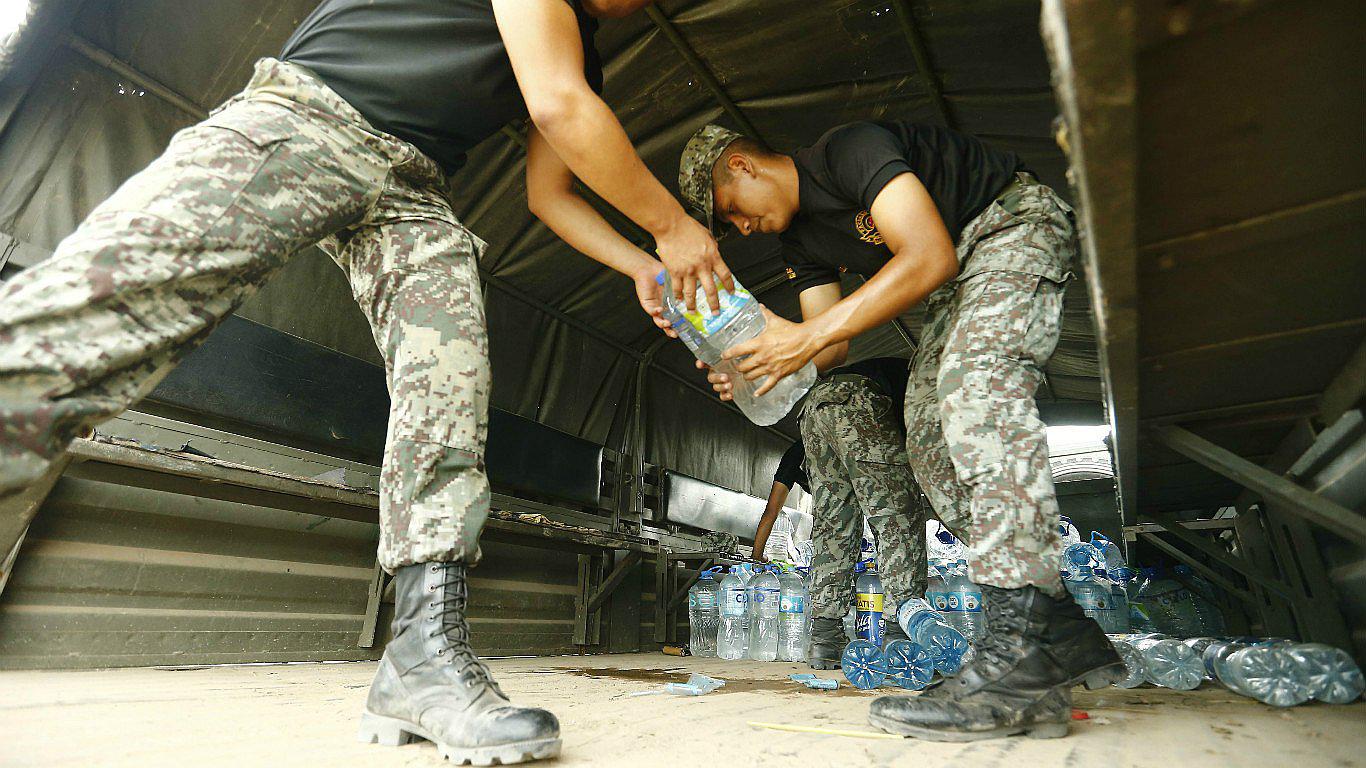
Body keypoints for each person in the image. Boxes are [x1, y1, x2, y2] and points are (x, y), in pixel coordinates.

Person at [0, 2, 735, 764]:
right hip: (308, 116)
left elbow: (550, 190)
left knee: (449, 383)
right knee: (108, 308)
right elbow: (558, 106)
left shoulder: (586, 50)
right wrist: (673, 228)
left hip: (413, 190)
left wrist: (644, 266)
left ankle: (422, 658)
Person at [679, 121, 1121, 741]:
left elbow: (928, 256)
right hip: (956, 282)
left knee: (977, 388)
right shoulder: (801, 244)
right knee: (928, 439)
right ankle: (1050, 622)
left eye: (733, 213)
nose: (742, 229)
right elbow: (828, 345)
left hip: (1008, 227)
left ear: (743, 167)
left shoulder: (845, 153)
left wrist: (803, 339)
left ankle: (1023, 645)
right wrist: (753, 364)